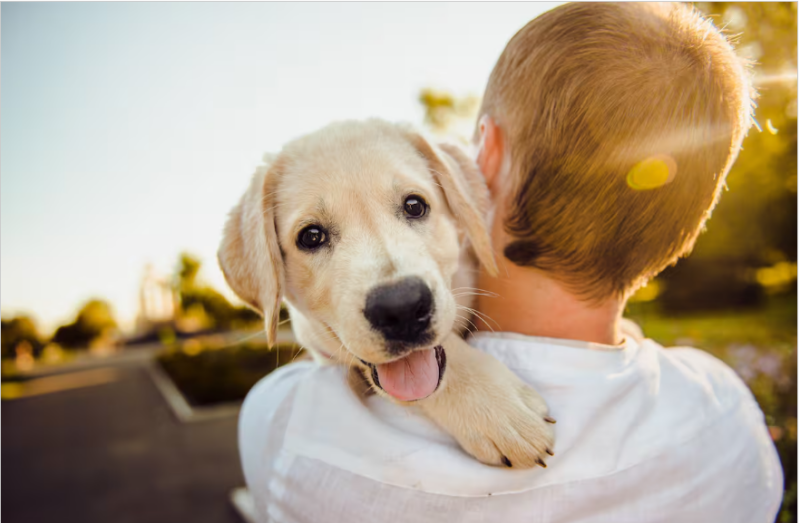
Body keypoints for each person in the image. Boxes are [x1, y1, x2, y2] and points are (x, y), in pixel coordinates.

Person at [238, 3, 783, 522]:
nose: (395, 286)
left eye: (413, 207)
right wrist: (454, 377)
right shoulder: (727, 415)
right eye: (313, 236)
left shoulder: (288, 425)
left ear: (484, 158)